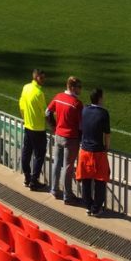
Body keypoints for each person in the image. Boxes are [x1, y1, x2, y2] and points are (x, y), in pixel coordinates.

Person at [46, 76, 83, 204]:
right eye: (79, 87)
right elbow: (81, 125)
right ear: (72, 87)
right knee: (68, 167)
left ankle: (54, 190)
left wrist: (54, 127)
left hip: (58, 135)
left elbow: (47, 112)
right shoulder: (76, 104)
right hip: (71, 138)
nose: (80, 89)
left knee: (57, 163)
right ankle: (68, 195)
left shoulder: (58, 97)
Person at [77, 88, 111, 217]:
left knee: (86, 179)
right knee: (100, 180)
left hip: (85, 151)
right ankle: (96, 208)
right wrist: (107, 147)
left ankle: (88, 206)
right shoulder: (103, 113)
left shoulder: (85, 110)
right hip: (97, 152)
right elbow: (107, 134)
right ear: (100, 98)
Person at [19, 69, 48, 191]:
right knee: (39, 155)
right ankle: (34, 181)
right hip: (38, 129)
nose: (44, 80)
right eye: (42, 78)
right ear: (36, 78)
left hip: (28, 126)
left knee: (26, 152)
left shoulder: (26, 87)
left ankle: (27, 177)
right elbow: (45, 112)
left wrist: (24, 117)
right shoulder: (39, 93)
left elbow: (21, 104)